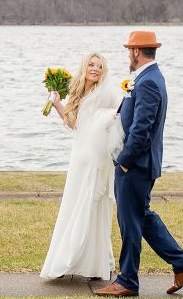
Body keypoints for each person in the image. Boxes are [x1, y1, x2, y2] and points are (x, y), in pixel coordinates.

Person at [94, 31, 183, 297]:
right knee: (142, 218)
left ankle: (128, 281)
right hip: (138, 163)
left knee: (130, 223)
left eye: (130, 50)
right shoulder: (147, 78)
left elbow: (143, 128)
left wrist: (125, 162)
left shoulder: (149, 81)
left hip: (136, 165)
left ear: (137, 52)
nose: (128, 54)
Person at [40, 53, 125, 281]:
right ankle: (71, 259)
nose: (95, 69)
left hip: (97, 159)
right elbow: (74, 123)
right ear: (85, 67)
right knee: (73, 204)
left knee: (92, 207)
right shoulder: (78, 92)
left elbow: (121, 115)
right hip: (79, 156)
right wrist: (57, 103)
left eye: (99, 66)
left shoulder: (107, 93)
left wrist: (107, 125)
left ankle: (94, 264)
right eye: (91, 64)